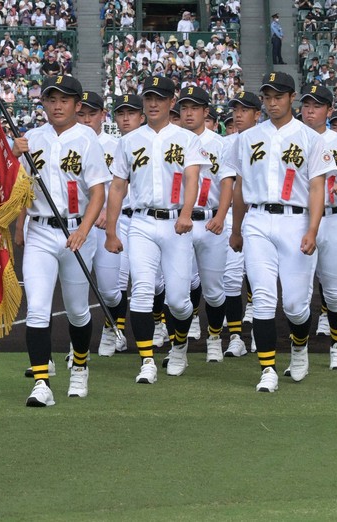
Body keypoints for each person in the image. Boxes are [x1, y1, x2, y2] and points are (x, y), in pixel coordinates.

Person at [228, 71, 333, 392]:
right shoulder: (246, 138)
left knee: (296, 305)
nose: (273, 103)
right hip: (257, 220)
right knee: (261, 298)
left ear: (291, 98)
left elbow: (318, 189)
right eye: (267, 97)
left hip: (295, 220)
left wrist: (313, 230)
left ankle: (299, 349)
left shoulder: (311, 138)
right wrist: (236, 229)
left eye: (279, 96)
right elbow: (239, 186)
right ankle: (268, 369)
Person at [105, 75, 210, 383]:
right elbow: (117, 187)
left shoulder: (187, 138)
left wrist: (187, 214)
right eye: (148, 98)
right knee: (141, 291)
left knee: (178, 300)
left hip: (177, 222)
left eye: (159, 98)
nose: (152, 103)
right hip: (140, 222)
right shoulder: (129, 141)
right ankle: (147, 360)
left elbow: (193, 178)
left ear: (170, 103)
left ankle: (179, 346)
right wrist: (111, 231)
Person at [12, 75, 109, 406]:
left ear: (77, 105)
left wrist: (85, 227)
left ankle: (80, 365)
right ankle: (41, 382)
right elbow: (16, 187)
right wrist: (12, 156)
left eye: (64, 100)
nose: (57, 105)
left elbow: (98, 190)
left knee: (78, 310)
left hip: (76, 233)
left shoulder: (87, 139)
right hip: (39, 230)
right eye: (51, 99)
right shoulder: (30, 139)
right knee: (37, 309)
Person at [299, 85, 337, 371]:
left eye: (317, 105)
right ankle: (299, 351)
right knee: (298, 292)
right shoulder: (291, 136)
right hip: (298, 218)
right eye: (306, 104)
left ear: (329, 110)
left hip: (332, 219)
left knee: (334, 291)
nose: (310, 110)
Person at [177, 86, 235, 363]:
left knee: (213, 289)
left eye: (194, 108)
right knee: (181, 285)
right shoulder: (172, 140)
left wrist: (221, 217)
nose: (188, 113)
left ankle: (214, 337)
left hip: (210, 218)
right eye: (184, 108)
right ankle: (183, 337)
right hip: (180, 221)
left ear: (205, 112)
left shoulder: (220, 144)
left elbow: (228, 183)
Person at [76, 90, 127, 356]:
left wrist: (110, 212)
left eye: (91, 114)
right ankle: (78, 346)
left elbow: (124, 183)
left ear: (102, 116)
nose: (86, 119)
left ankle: (112, 327)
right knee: (77, 287)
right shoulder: (69, 142)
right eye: (81, 114)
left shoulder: (116, 145)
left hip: (107, 225)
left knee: (109, 290)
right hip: (77, 225)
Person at [221, 91, 262, 357]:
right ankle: (236, 336)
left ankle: (260, 332)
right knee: (232, 278)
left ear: (257, 114)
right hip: (233, 214)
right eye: (236, 109)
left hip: (262, 214)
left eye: (245, 109)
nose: (238, 113)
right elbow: (229, 184)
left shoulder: (270, 139)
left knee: (261, 281)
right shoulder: (228, 143)